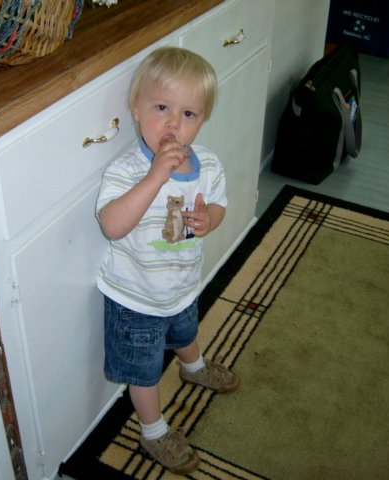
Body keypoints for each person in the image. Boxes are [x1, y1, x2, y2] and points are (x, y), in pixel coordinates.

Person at [95, 46, 239, 474]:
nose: (173, 124)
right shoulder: (125, 169)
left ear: (201, 120)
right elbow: (112, 225)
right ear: (137, 109)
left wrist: (210, 220)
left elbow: (219, 205)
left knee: (185, 330)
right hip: (136, 298)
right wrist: (156, 176)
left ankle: (194, 366)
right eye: (162, 108)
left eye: (188, 114)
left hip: (182, 284)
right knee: (144, 370)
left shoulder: (208, 164)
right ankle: (153, 430)